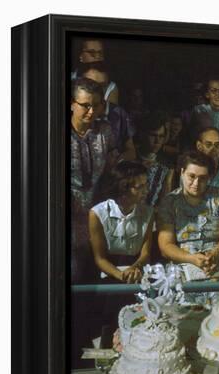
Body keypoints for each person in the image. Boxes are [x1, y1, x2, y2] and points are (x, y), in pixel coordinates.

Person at [157, 150, 219, 287]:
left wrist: (216, 254)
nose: (196, 183)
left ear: (209, 178)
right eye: (192, 176)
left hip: (216, 258)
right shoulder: (170, 202)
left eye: (202, 178)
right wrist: (191, 259)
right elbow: (165, 245)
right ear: (182, 172)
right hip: (182, 262)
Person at [70, 77, 115, 283]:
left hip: (97, 214)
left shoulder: (104, 131)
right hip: (68, 215)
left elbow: (110, 170)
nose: (91, 111)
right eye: (85, 105)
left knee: (97, 275)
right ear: (72, 103)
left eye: (95, 106)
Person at [88, 161, 154, 283]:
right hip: (109, 273)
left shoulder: (148, 213)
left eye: (146, 185)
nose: (146, 191)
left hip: (137, 272)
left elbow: (146, 253)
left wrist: (134, 269)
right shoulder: (97, 213)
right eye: (140, 187)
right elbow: (100, 258)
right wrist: (121, 275)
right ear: (123, 188)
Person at [136, 113, 174, 207]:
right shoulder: (131, 158)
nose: (157, 141)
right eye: (153, 135)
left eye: (161, 136)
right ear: (143, 135)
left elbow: (164, 202)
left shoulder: (166, 166)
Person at [73, 39, 119, 106]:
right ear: (80, 56)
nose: (97, 57)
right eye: (92, 52)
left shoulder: (111, 87)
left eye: (100, 53)